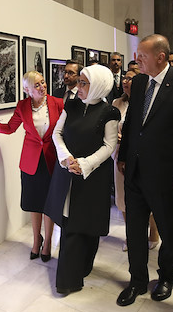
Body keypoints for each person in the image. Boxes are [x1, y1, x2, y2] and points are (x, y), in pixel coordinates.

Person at [116, 34, 173, 307]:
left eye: (142, 55)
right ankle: (137, 280)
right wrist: (124, 155)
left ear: (161, 57)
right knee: (134, 230)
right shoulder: (140, 82)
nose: (137, 60)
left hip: (168, 177)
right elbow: (132, 122)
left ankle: (167, 277)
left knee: (170, 231)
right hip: (135, 172)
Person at [44, 64, 120, 295]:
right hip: (68, 171)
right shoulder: (72, 105)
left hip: (92, 177)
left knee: (87, 224)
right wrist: (67, 158)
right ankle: (68, 280)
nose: (79, 86)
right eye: (79, 82)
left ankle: (84, 267)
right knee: (71, 225)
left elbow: (109, 145)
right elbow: (57, 133)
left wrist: (85, 164)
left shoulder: (109, 112)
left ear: (98, 85)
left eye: (84, 83)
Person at [0, 71, 64, 262]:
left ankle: (48, 242)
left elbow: (65, 130)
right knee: (34, 203)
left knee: (49, 204)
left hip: (52, 160)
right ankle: (36, 239)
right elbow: (9, 128)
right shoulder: (23, 106)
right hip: (31, 162)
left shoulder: (57, 103)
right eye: (37, 85)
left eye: (43, 82)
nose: (43, 87)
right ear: (27, 90)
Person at [112, 70, 160, 252]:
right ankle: (130, 235)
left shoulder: (149, 101)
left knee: (147, 196)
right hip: (120, 154)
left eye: (131, 78)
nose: (126, 81)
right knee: (123, 197)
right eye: (124, 77)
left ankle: (153, 233)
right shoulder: (117, 103)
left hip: (145, 156)